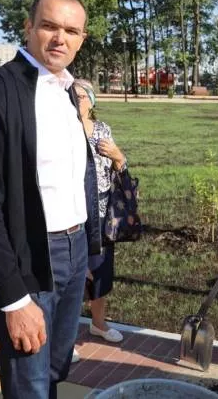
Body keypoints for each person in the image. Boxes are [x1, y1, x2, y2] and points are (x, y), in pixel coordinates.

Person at [0, 0, 102, 398]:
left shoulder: (69, 92)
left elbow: (75, 178)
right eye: (49, 26)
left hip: (74, 252)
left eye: (71, 31)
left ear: (82, 38)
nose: (60, 39)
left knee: (54, 371)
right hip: (32, 255)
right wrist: (13, 299)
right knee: (29, 383)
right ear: (29, 27)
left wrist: (86, 250)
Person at [71, 79, 125, 362]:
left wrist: (118, 156)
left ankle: (98, 324)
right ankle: (65, 338)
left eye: (82, 96)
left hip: (103, 213)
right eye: (72, 95)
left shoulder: (103, 129)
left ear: (92, 101)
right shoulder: (65, 129)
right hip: (73, 212)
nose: (77, 100)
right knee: (73, 275)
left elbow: (119, 167)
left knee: (100, 270)